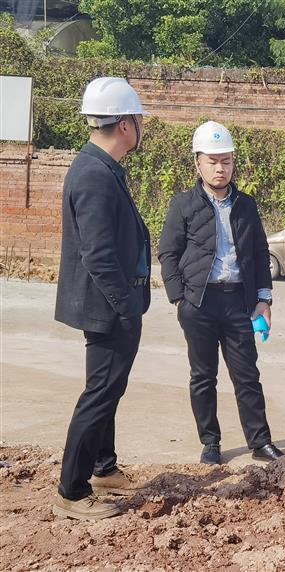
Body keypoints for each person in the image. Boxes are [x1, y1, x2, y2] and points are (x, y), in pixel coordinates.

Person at [53, 77, 151, 520]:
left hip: (109, 303)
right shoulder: (94, 175)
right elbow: (98, 254)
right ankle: (72, 491)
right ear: (126, 124)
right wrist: (126, 308)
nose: (142, 127)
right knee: (100, 393)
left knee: (108, 388)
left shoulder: (99, 167)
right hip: (108, 307)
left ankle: (103, 467)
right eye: (139, 119)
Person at [158, 121, 284, 465]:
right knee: (203, 377)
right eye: (212, 161)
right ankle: (210, 443)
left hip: (238, 302)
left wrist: (264, 299)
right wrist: (179, 298)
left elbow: (259, 252)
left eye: (226, 161)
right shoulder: (183, 204)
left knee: (247, 375)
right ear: (197, 162)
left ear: (233, 162)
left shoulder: (246, 205)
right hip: (198, 303)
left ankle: (260, 441)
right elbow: (168, 252)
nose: (220, 168)